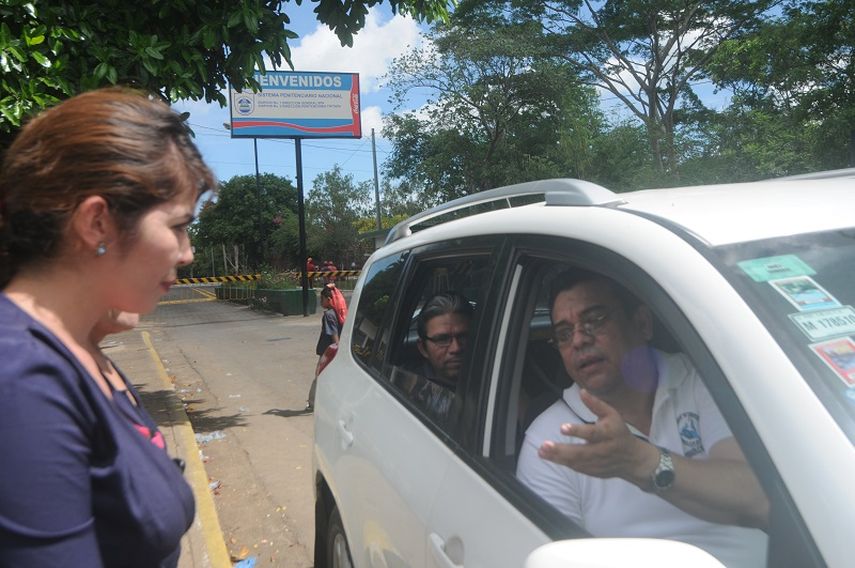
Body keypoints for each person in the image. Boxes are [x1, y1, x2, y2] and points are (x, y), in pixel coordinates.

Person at [0, 87, 216, 567]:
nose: (187, 253)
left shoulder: (82, 348)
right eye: (179, 226)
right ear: (97, 222)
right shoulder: (21, 381)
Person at [516, 269, 769, 568]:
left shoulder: (703, 382)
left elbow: (758, 499)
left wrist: (640, 461)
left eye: (595, 320)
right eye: (563, 334)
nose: (579, 340)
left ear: (642, 323)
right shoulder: (550, 440)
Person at [411, 291, 473, 421]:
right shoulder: (412, 391)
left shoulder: (498, 372)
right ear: (423, 348)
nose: (456, 348)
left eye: (463, 336)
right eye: (442, 339)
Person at [306, 286, 342, 411]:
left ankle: (312, 403)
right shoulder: (338, 313)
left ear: (329, 299)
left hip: (328, 351)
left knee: (319, 375)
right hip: (334, 350)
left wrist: (337, 349)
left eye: (322, 299)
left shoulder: (329, 315)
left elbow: (333, 333)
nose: (320, 302)